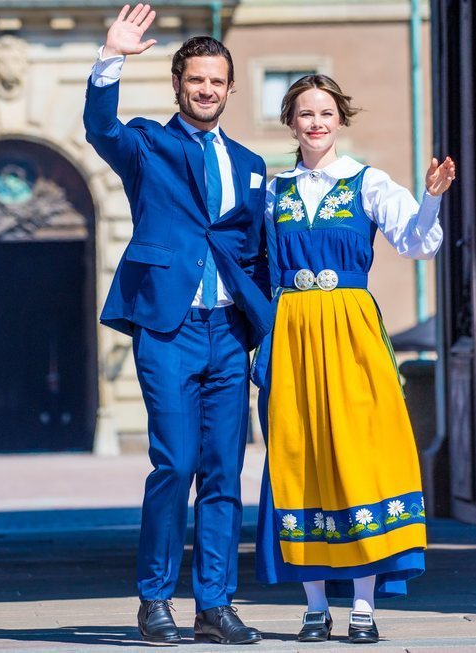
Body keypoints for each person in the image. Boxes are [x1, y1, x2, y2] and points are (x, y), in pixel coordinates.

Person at [83, 4, 271, 645]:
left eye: (217, 81)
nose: (207, 89)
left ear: (230, 87)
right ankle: (155, 599)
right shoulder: (146, 145)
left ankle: (214, 604)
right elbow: (98, 127)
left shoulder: (250, 163)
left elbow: (253, 250)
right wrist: (109, 58)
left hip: (228, 333)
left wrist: (266, 322)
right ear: (177, 84)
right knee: (176, 463)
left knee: (224, 469)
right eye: (196, 79)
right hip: (170, 326)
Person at [253, 74, 455, 644]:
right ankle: (314, 604)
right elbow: (250, 263)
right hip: (292, 333)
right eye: (304, 114)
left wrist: (433, 197)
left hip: (352, 332)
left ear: (340, 119)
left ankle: (363, 606)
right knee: (300, 456)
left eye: (325, 114)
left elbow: (416, 242)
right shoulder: (272, 192)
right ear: (290, 122)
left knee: (358, 458)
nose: (315, 123)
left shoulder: (368, 183)